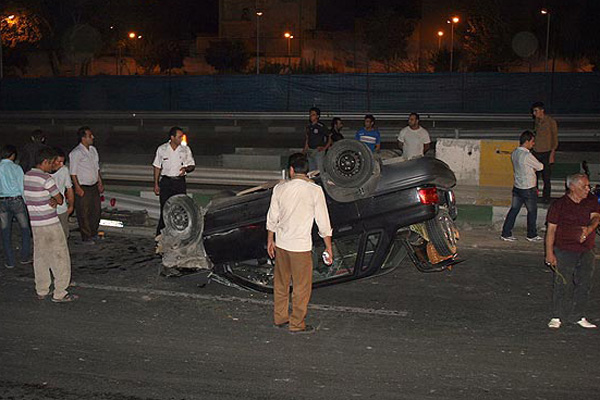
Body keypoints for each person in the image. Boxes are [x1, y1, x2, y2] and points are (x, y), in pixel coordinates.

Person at [266, 153, 333, 334]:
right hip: (300, 247)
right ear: (308, 171)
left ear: (291, 170)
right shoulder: (314, 190)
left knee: (281, 284)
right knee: (301, 288)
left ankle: (280, 318)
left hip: (282, 244)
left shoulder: (280, 189)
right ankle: (296, 323)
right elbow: (323, 221)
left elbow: (272, 217)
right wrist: (328, 246)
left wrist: (270, 240)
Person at [545, 173, 600, 329]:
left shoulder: (591, 201)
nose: (587, 189)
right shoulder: (559, 205)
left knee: (585, 283)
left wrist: (588, 229)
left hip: (586, 249)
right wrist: (549, 253)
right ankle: (557, 315)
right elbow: (551, 231)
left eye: (588, 186)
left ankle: (578, 315)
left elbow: (596, 217)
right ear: (572, 187)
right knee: (562, 282)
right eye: (584, 186)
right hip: (564, 249)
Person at [24, 146, 76, 302]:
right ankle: (60, 292)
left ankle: (42, 289)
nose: (53, 166)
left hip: (35, 224)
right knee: (60, 256)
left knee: (40, 257)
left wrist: (49, 198)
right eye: (52, 163)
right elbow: (60, 199)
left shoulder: (27, 176)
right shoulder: (46, 178)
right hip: (51, 223)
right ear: (45, 162)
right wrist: (54, 198)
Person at [500, 131, 544, 242]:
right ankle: (531, 234)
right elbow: (540, 166)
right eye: (532, 141)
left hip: (517, 186)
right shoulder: (527, 155)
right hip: (528, 187)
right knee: (532, 211)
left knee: (514, 210)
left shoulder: (515, 152)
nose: (533, 144)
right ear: (527, 141)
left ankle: (506, 233)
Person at [153, 126, 196, 235]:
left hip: (179, 183)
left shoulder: (185, 149)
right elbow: (157, 167)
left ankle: (180, 236)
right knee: (165, 209)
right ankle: (160, 237)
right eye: (179, 136)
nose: (181, 138)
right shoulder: (162, 149)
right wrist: (156, 184)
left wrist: (186, 168)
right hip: (166, 182)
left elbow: (192, 165)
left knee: (181, 209)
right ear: (172, 137)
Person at [69, 126, 103, 244]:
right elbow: (73, 172)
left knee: (96, 211)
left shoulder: (93, 150)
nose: (92, 137)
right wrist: (77, 187)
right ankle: (86, 236)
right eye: (90, 135)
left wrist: (100, 181)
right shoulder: (76, 153)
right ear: (83, 138)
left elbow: (96, 168)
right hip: (83, 186)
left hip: (93, 185)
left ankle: (93, 233)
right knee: (83, 212)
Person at [0, 145, 32, 268]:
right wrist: (26, 203)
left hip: (2, 201)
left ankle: (10, 260)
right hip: (17, 200)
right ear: (12, 155)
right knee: (24, 229)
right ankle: (24, 256)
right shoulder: (16, 167)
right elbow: (22, 186)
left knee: (5, 231)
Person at [531, 102, 558, 203]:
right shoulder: (537, 121)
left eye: (536, 111)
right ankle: (535, 194)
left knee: (546, 176)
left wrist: (552, 153)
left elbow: (554, 138)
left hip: (546, 152)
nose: (534, 113)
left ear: (542, 110)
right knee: (535, 176)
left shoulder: (550, 121)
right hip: (537, 151)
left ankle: (546, 196)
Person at [51, 147, 74, 239]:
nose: (61, 165)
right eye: (59, 162)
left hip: (61, 209)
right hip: (47, 210)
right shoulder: (44, 172)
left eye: (63, 162)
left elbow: (69, 188)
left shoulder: (64, 170)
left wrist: (71, 205)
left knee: (63, 236)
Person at [303, 107, 330, 171]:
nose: (311, 116)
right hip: (310, 150)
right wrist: (305, 149)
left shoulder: (321, 126)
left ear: (317, 116)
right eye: (310, 114)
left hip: (318, 151)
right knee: (311, 170)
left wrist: (325, 148)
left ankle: (321, 180)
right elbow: (307, 138)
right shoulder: (309, 126)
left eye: (313, 115)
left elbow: (330, 137)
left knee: (319, 169)